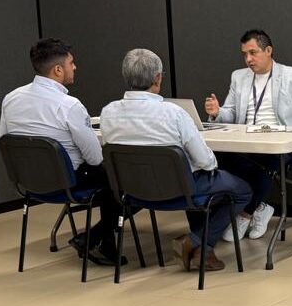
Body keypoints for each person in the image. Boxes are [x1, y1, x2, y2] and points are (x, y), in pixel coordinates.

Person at [101, 49, 251, 271]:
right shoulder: (175, 113)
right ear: (158, 78)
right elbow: (205, 161)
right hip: (180, 191)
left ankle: (203, 250)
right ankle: (198, 241)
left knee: (195, 178)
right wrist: (210, 162)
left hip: (133, 192)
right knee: (242, 190)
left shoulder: (108, 113)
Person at [0, 38, 126, 265]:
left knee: (110, 179)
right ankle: (95, 238)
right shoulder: (69, 105)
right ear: (58, 70)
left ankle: (97, 239)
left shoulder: (11, 99)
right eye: (71, 63)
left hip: (29, 182)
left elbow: (6, 140)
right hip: (70, 181)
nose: (74, 67)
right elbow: (95, 158)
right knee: (125, 180)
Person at [203, 29, 292, 242]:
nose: (248, 59)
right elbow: (230, 114)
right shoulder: (238, 77)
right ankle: (261, 206)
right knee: (218, 156)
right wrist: (217, 112)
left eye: (253, 53)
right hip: (247, 141)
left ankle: (245, 213)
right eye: (244, 54)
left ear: (268, 50)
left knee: (267, 160)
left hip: (282, 144)